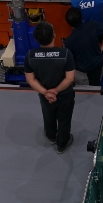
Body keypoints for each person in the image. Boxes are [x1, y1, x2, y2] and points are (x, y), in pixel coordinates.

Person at [23, 21, 76, 153]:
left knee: (48, 115)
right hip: (64, 94)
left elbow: (30, 79)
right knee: (64, 119)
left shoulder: (30, 55)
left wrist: (46, 92)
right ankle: (62, 144)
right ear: (54, 35)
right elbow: (69, 78)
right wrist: (56, 90)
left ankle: (51, 136)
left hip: (45, 95)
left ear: (36, 39)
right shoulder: (65, 54)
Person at [63, 6, 103, 86]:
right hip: (97, 63)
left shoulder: (68, 41)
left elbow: (70, 58)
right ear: (82, 17)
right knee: (95, 83)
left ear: (68, 23)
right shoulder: (92, 25)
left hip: (81, 67)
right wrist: (102, 47)